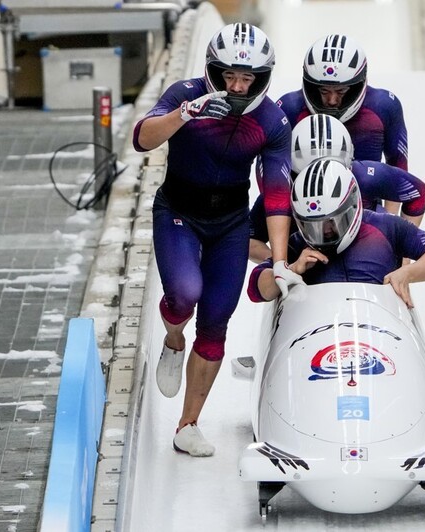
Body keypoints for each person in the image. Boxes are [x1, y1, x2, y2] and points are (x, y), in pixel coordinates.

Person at [132, 23, 302, 457]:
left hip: (230, 223)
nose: (238, 87)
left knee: (216, 318)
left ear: (262, 79)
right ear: (213, 71)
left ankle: (187, 424)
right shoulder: (185, 93)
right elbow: (141, 139)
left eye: (247, 78)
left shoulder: (271, 121)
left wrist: (279, 260)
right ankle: (173, 338)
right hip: (179, 212)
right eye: (229, 76)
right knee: (184, 294)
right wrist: (183, 115)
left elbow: (276, 193)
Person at [247, 159, 425, 308]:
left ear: (351, 206)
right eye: (312, 225)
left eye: (331, 222)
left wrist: (408, 273)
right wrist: (290, 270)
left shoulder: (386, 226)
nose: (324, 231)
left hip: (378, 325)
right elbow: (255, 289)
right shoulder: (298, 247)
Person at [248, 113, 425, 263]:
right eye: (307, 174)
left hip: (369, 252)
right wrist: (284, 263)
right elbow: (250, 241)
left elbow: (417, 193)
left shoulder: (366, 176)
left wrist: (401, 255)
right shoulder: (280, 192)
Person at [276, 33, 409, 214]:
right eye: (324, 91)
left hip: (366, 212)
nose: (332, 101)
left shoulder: (383, 106)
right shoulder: (290, 107)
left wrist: (390, 222)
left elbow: (397, 168)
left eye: (341, 91)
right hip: (307, 214)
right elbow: (273, 172)